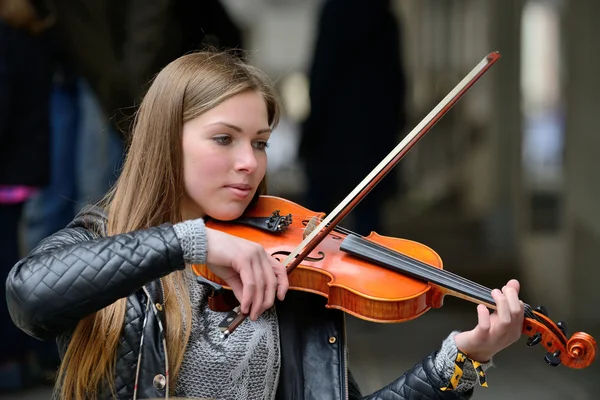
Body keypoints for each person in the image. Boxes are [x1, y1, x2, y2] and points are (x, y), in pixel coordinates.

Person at [6, 51, 525, 400]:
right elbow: (28, 296)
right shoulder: (104, 241)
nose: (249, 163)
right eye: (224, 139)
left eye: (259, 142)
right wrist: (196, 241)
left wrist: (457, 361)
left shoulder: (288, 271)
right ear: (166, 141)